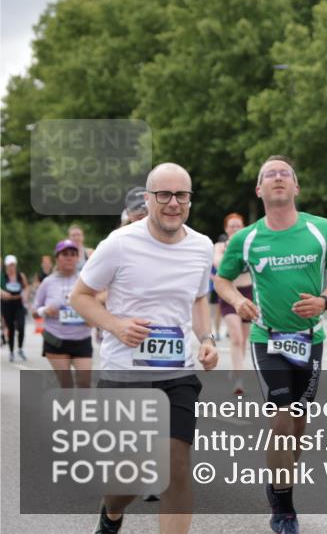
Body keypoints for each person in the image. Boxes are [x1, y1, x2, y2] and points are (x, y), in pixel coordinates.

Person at [70, 162, 219, 534]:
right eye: (164, 195)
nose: (173, 203)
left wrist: (207, 340)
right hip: (126, 370)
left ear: (189, 200)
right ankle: (112, 513)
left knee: (176, 465)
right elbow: (81, 296)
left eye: (181, 195)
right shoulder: (119, 244)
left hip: (177, 371)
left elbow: (199, 300)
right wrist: (116, 325)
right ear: (149, 199)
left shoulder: (201, 247)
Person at [215, 155, 327, 534]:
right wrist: (239, 300)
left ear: (296, 187)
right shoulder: (246, 238)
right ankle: (284, 507)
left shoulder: (322, 229)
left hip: (310, 340)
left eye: (284, 174)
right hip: (268, 338)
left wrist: (325, 301)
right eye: (269, 175)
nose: (277, 178)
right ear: (259, 190)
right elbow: (222, 281)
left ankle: (279, 480)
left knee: (297, 428)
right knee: (280, 417)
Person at [33, 240, 92, 387]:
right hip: (56, 339)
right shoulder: (48, 282)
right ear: (57, 258)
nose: (69, 258)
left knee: (84, 383)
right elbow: (34, 311)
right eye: (65, 254)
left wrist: (90, 316)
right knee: (66, 384)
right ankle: (67, 409)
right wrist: (45, 311)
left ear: (77, 258)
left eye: (73, 254)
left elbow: (96, 303)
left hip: (82, 339)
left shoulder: (85, 280)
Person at [213, 213, 254, 396]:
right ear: (226, 229)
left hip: (248, 293)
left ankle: (237, 370)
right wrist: (231, 250)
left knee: (244, 339)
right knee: (236, 337)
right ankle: (239, 380)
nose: (235, 230)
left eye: (238, 226)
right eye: (232, 227)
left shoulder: (251, 243)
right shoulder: (221, 246)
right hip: (229, 294)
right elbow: (218, 263)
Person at [1, 254, 30, 361]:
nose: (11, 267)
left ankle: (20, 349)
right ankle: (11, 351)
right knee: (11, 329)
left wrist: (25, 295)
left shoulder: (20, 276)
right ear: (6, 266)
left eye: (13, 265)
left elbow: (26, 287)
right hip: (7, 305)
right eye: (9, 265)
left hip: (18, 304)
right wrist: (3, 293)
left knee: (21, 327)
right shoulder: (2, 277)